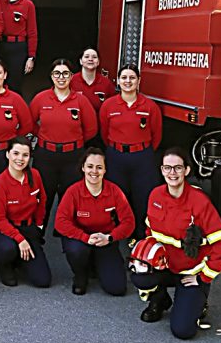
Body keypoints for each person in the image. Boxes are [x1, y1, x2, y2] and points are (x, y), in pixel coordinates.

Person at [131, 148, 221, 340]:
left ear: (186, 170)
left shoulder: (199, 201)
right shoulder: (155, 195)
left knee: (183, 331)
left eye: (177, 167)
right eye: (167, 168)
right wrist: (146, 258)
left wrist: (203, 277)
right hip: (166, 266)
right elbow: (149, 231)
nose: (172, 173)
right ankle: (159, 300)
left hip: (191, 271)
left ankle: (199, 300)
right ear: (161, 170)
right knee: (140, 276)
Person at [29, 59, 98, 232]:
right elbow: (30, 123)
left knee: (71, 198)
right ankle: (38, 234)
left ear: (71, 77)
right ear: (51, 77)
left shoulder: (81, 101)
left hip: (72, 157)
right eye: (57, 73)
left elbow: (91, 129)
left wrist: (73, 141)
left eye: (65, 73)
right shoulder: (41, 98)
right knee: (42, 197)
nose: (61, 77)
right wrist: (45, 137)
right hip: (46, 155)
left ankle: (68, 235)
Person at [54, 148, 135, 296]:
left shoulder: (115, 191)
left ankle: (98, 264)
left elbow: (129, 222)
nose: (94, 171)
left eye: (99, 167)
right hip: (81, 239)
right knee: (76, 251)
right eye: (90, 166)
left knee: (117, 289)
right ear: (83, 168)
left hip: (105, 239)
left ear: (105, 170)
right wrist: (84, 237)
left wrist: (110, 237)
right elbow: (60, 222)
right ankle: (80, 275)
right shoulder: (73, 191)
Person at [99, 64, 163, 239]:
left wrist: (140, 150)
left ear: (139, 81)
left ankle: (141, 235)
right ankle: (119, 233)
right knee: (118, 196)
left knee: (143, 196)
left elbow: (156, 135)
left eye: (132, 78)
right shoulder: (108, 105)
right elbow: (104, 132)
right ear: (118, 81)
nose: (128, 81)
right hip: (116, 156)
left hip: (142, 158)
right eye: (124, 78)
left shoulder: (150, 106)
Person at [0, 137, 51, 288]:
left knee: (43, 281)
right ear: (7, 154)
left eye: (25, 155)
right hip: (5, 230)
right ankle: (6, 266)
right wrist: (20, 239)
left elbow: (42, 201)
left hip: (28, 228)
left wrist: (39, 226)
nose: (20, 159)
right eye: (15, 153)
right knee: (7, 248)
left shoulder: (35, 175)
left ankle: (21, 260)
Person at [0, 0, 37, 95]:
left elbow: (32, 33)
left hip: (18, 48)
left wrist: (31, 57)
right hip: (1, 46)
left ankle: (14, 110)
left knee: (15, 83)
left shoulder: (28, 5)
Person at [70, 48, 117, 117]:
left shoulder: (106, 83)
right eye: (86, 56)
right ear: (80, 61)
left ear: (98, 62)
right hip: (76, 124)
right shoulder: (71, 81)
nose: (90, 59)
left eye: (94, 57)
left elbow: (112, 107)